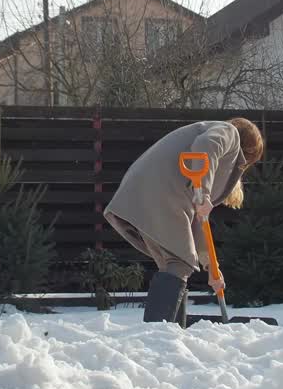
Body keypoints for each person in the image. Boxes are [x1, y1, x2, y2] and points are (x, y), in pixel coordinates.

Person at [103, 117, 265, 325]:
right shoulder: (228, 132)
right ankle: (157, 333)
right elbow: (205, 146)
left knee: (173, 265)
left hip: (144, 191)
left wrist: (210, 266)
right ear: (248, 154)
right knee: (180, 262)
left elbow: (197, 223)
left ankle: (172, 331)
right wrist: (204, 193)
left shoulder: (203, 144)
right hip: (162, 192)